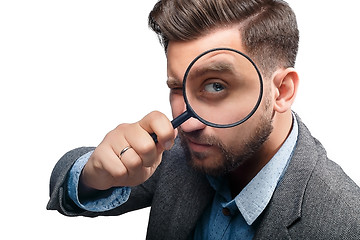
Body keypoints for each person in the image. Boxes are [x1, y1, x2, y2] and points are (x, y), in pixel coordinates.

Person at [47, 0, 360, 239]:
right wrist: (93, 173)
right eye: (176, 87)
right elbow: (64, 184)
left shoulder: (344, 222)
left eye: (215, 86)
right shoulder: (176, 155)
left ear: (281, 91)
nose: (186, 123)